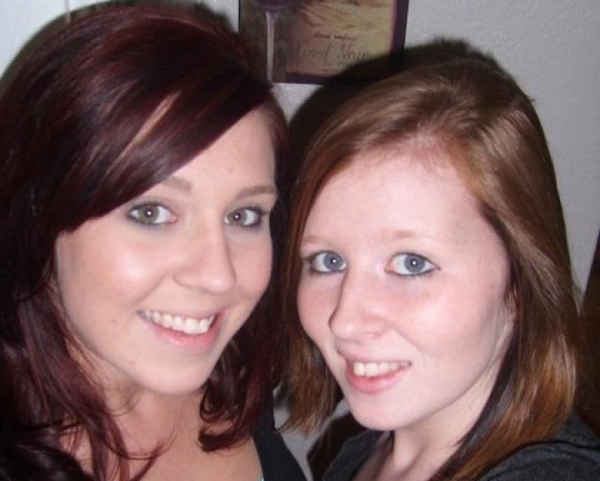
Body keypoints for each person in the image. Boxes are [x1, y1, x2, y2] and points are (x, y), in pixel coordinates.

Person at [0, 5, 305, 481]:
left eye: (243, 215)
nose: (218, 277)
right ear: (41, 215)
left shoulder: (235, 372)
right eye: (152, 213)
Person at [282, 57, 600, 480]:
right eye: (329, 261)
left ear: (519, 285)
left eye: (412, 264)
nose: (346, 321)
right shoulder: (365, 450)